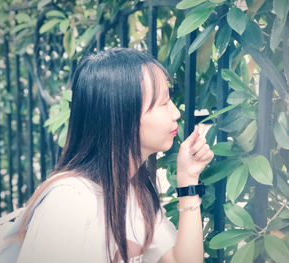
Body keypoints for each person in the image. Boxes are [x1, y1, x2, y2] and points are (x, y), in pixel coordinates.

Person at [16, 48, 214, 263]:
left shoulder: (133, 192)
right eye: (164, 103)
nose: (176, 113)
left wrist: (188, 180)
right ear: (122, 115)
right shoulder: (70, 201)